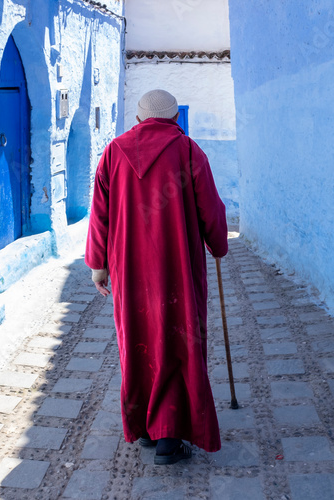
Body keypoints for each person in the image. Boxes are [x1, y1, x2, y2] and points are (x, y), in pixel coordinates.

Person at [85, 89, 228, 465]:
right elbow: (210, 209)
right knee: (178, 340)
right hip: (177, 267)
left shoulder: (114, 152)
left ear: (138, 120)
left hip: (129, 267)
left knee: (138, 339)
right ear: (175, 119)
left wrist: (98, 265)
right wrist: (218, 244)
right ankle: (169, 434)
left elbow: (100, 213)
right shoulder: (189, 151)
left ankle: (147, 427)